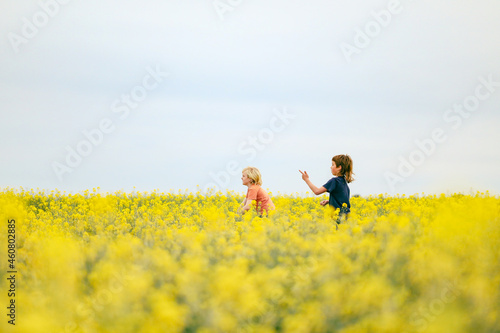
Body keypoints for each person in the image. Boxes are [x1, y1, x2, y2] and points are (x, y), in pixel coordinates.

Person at [299, 154, 354, 225]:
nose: (331, 167)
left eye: (333, 165)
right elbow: (343, 200)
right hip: (346, 218)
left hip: (338, 218)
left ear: (339, 167)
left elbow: (317, 191)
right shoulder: (343, 182)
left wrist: (306, 180)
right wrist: (329, 201)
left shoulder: (334, 181)